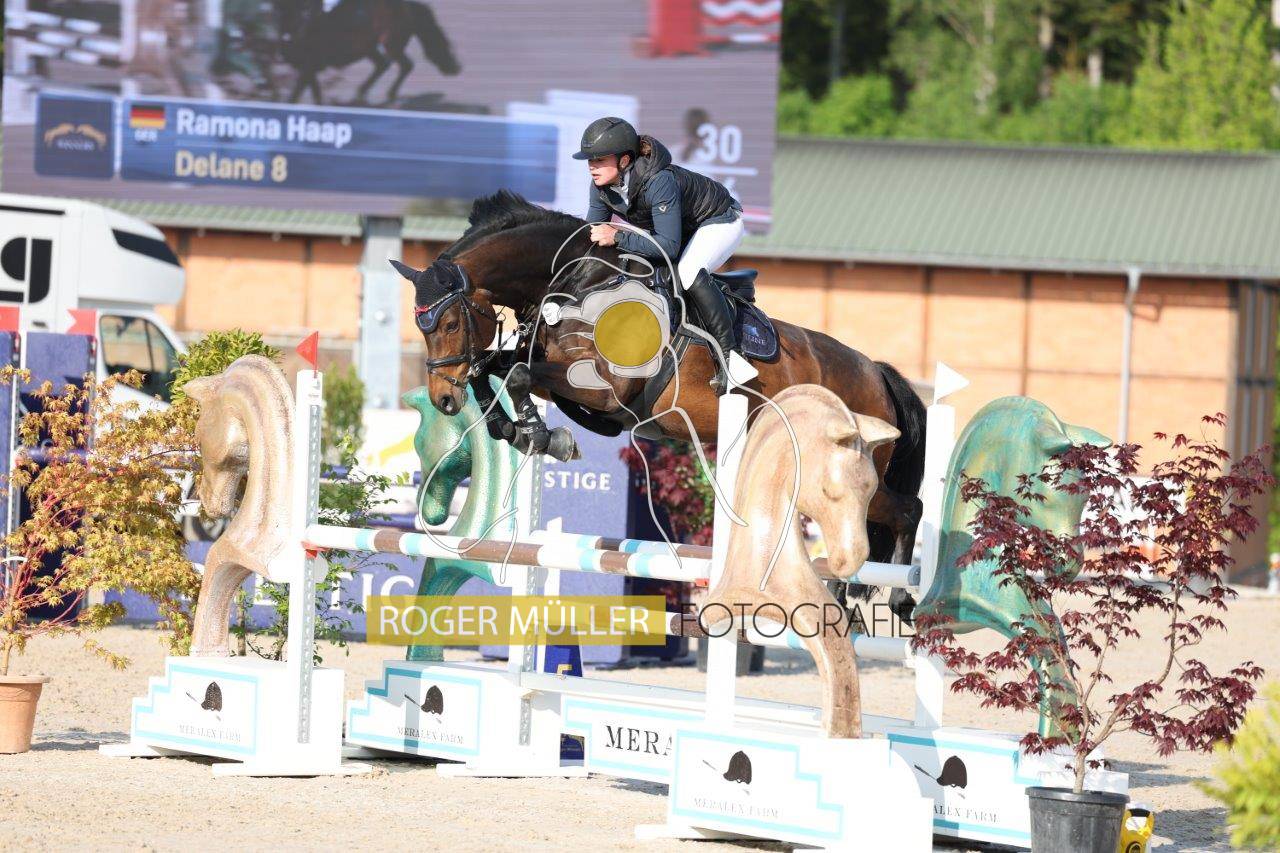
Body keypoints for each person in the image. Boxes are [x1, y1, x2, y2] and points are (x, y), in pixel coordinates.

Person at [575, 116, 757, 392]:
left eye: (599, 160)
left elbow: (668, 247)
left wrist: (618, 236)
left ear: (624, 160)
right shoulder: (601, 187)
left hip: (720, 220)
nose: (592, 166)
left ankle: (732, 358)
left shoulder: (659, 181)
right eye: (590, 160)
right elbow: (590, 235)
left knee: (688, 271)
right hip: (681, 231)